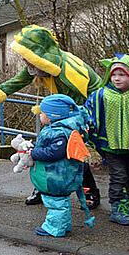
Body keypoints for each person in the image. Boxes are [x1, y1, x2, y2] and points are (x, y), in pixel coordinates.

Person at [0, 24, 103, 208]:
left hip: (86, 109)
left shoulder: (68, 75)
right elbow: (15, 82)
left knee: (74, 151)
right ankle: (43, 188)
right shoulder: (40, 65)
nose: (25, 61)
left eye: (27, 57)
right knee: (44, 145)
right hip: (58, 110)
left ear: (39, 56)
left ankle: (90, 193)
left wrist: (67, 127)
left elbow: (77, 106)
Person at [85, 54, 129, 225]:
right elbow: (89, 112)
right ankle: (117, 207)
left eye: (122, 75)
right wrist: (87, 125)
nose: (117, 78)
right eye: (114, 74)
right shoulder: (102, 95)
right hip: (112, 146)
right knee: (118, 176)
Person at [29, 94, 95, 237]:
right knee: (62, 202)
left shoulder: (59, 132)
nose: (40, 116)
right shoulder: (60, 129)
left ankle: (54, 228)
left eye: (42, 113)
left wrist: (34, 153)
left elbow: (54, 153)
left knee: (55, 203)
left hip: (56, 175)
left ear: (53, 115)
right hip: (61, 175)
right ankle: (64, 225)